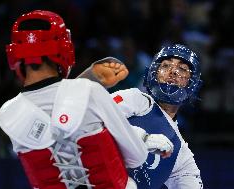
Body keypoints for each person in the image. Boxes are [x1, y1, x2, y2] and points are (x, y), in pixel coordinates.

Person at [0, 10, 173, 189]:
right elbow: (136, 157)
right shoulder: (88, 91)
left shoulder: (9, 114)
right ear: (64, 48)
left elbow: (54, 130)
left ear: (15, 56)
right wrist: (141, 137)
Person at [84, 44, 203, 189]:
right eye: (165, 66)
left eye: (182, 69)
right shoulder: (134, 99)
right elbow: (88, 120)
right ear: (154, 73)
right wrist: (140, 137)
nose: (173, 72)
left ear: (191, 83)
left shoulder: (182, 155)